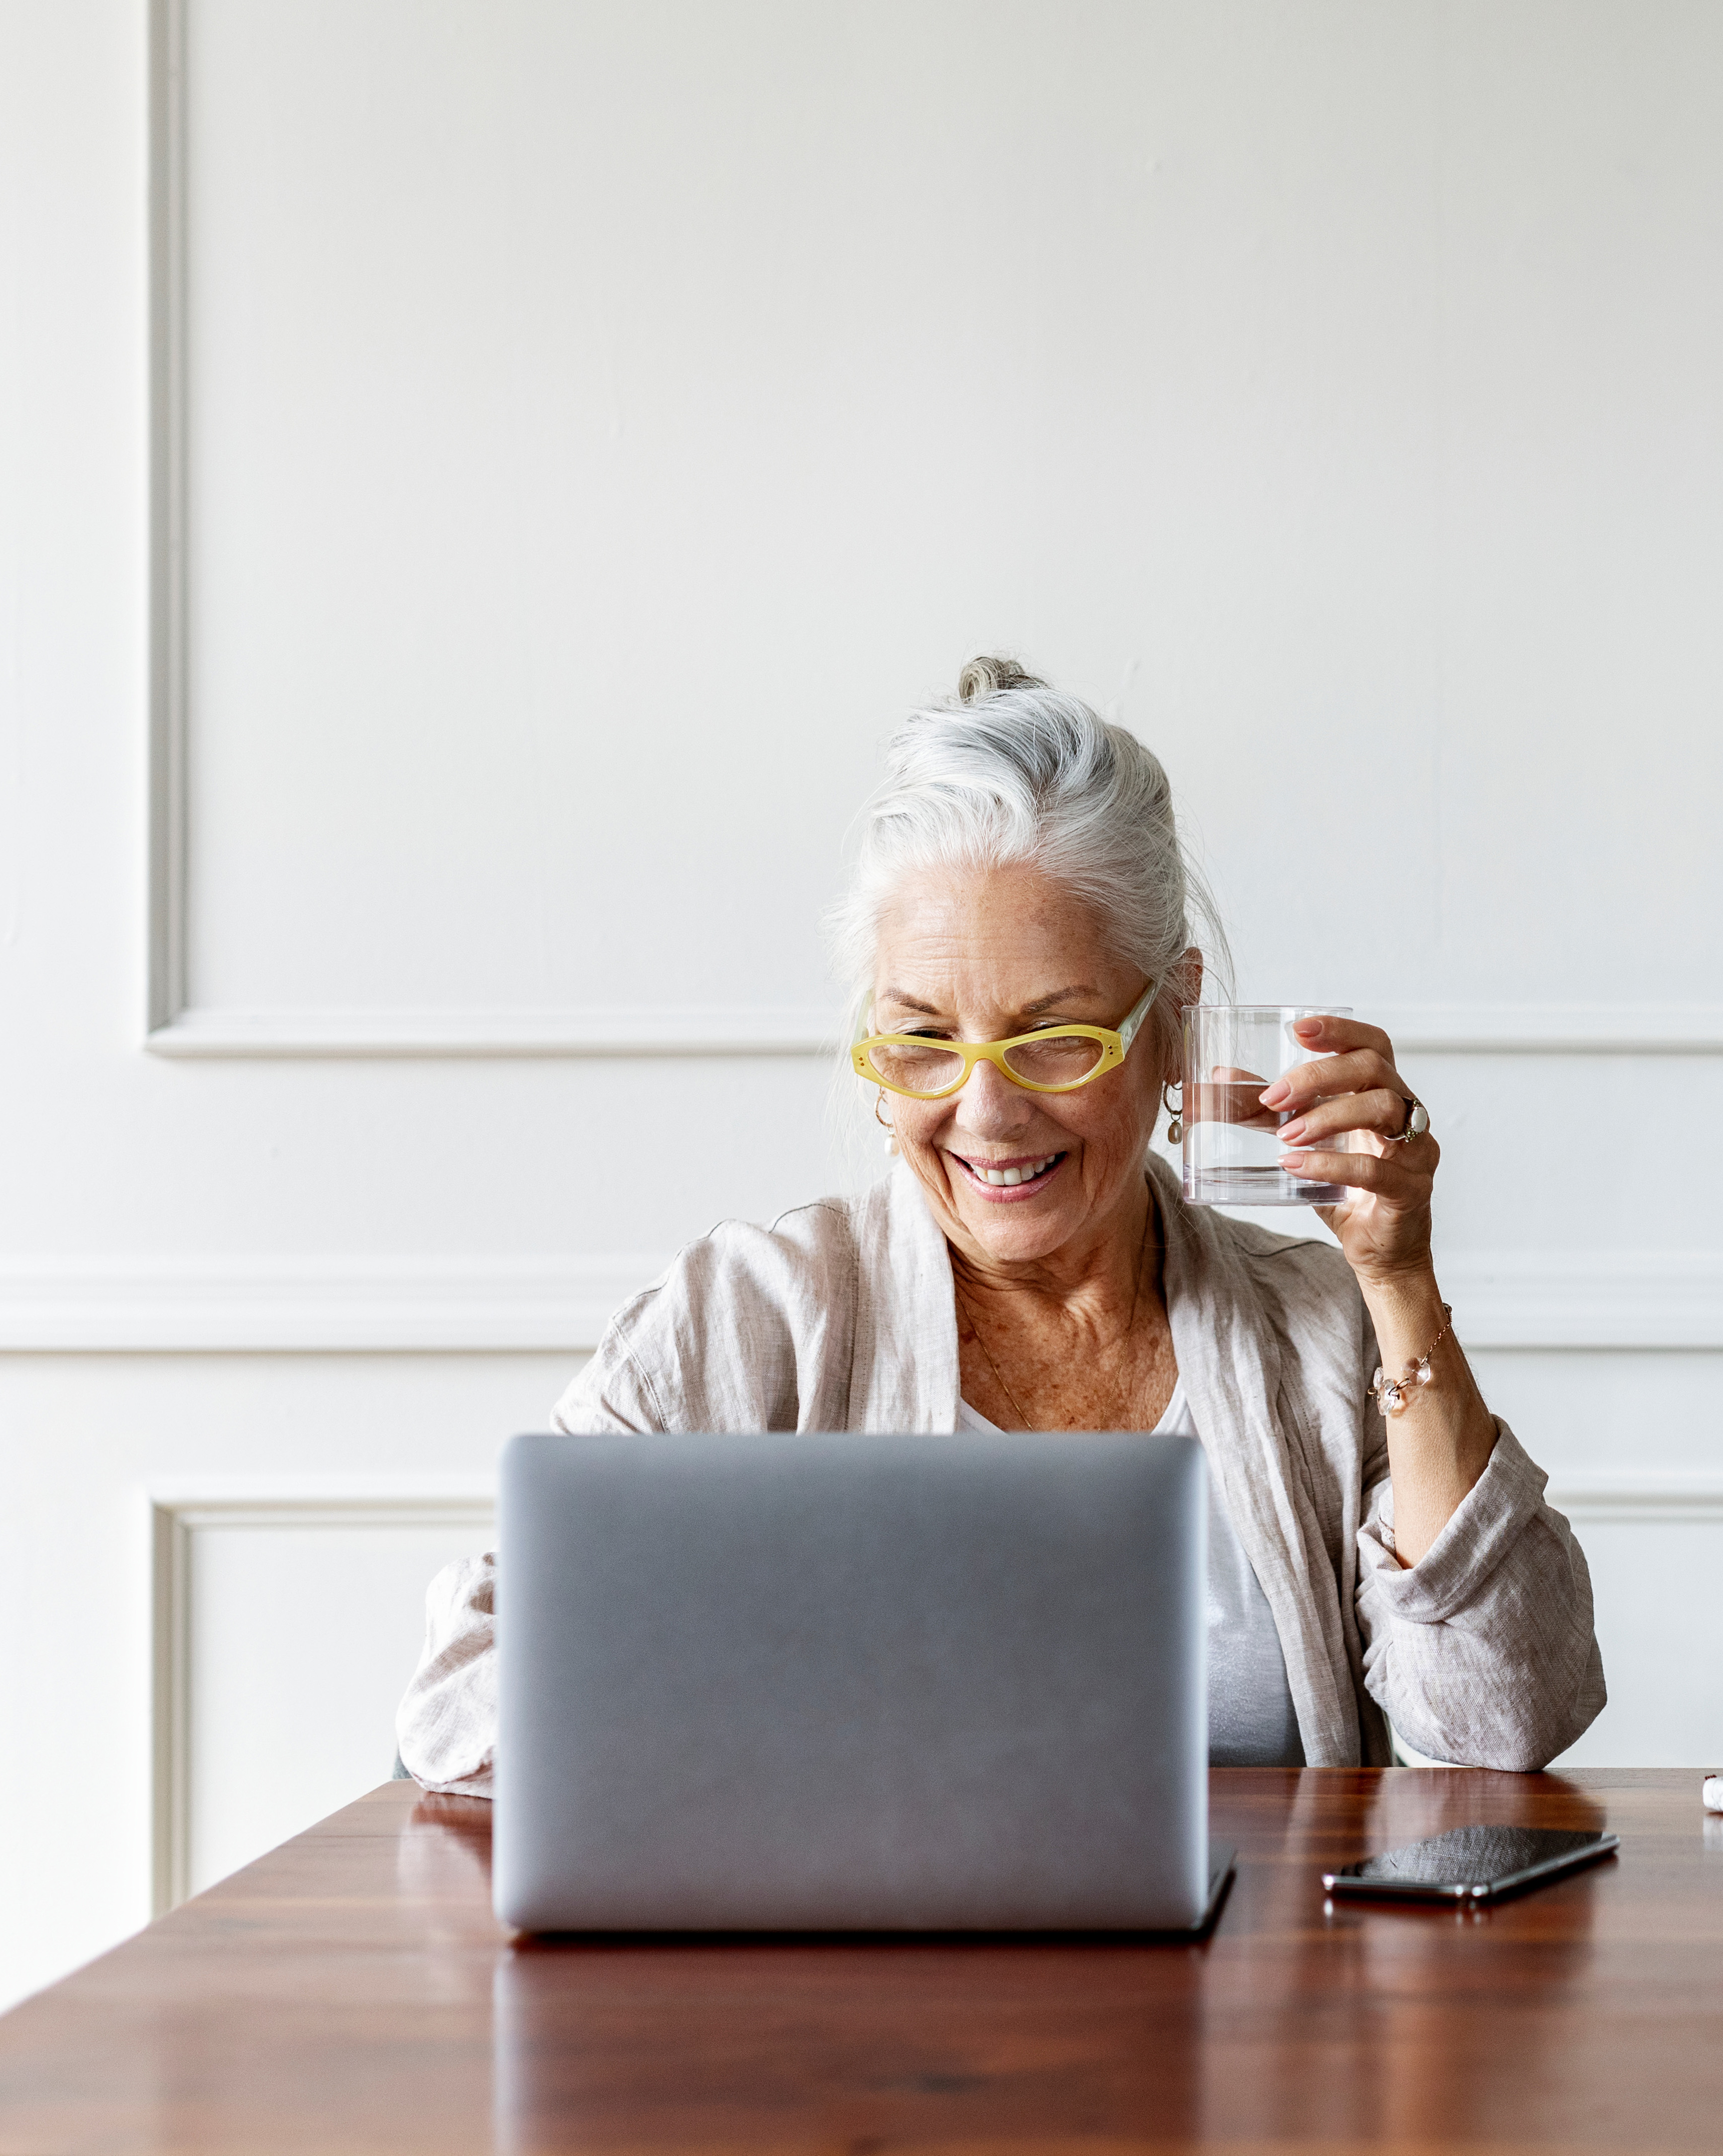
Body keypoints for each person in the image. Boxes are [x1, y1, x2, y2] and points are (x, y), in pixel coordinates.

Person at [396, 659, 1606, 1788]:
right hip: (861, 2009)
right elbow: (462, 1708)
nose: (984, 1112)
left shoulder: (1312, 1333)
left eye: (1055, 1037)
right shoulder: (749, 1322)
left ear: (1172, 1019)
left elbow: (1498, 1728)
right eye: (923, 1038)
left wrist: (1397, 1284)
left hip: (1249, 2007)